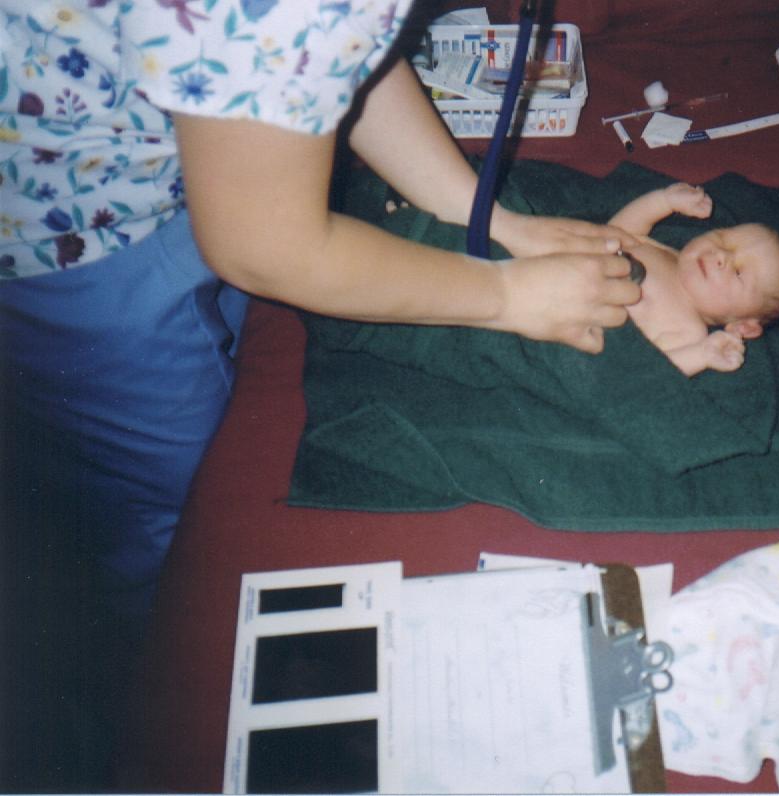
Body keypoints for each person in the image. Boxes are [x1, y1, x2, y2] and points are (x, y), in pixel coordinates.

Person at [0, 3, 638, 787]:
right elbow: (264, 249)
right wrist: (505, 296)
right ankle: (123, 699)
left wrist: (480, 212)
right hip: (66, 236)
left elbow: (341, 52)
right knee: (169, 506)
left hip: (174, 164)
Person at [609, 182, 779, 376]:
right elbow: (616, 232)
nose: (720, 255)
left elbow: (651, 373)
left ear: (742, 325)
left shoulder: (688, 331)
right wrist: (664, 201)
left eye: (738, 272)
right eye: (723, 239)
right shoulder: (667, 254)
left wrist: (702, 355)